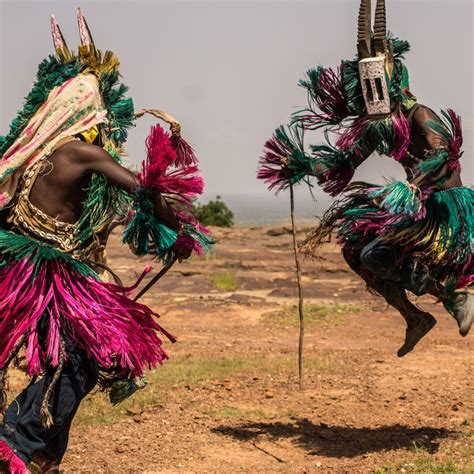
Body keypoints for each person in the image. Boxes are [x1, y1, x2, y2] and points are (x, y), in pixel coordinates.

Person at [0, 9, 211, 473]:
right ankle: (17, 437)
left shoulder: (42, 153)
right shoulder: (83, 151)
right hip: (48, 273)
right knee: (92, 352)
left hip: (28, 268)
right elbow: (145, 190)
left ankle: (42, 454)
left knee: (72, 357)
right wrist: (178, 230)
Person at [259, 0, 472, 358]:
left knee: (378, 253)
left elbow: (443, 153)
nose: (374, 99)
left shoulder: (420, 114)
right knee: (357, 251)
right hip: (418, 209)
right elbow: (340, 167)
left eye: (379, 90)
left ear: (393, 85)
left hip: (449, 213)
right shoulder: (377, 128)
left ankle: (454, 294)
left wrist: (413, 185)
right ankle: (414, 316)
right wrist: (298, 165)